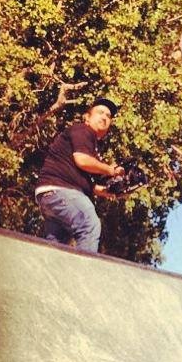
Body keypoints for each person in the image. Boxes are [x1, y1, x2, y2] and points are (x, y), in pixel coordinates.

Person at [34, 98, 124, 253]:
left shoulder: (89, 144)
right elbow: (82, 160)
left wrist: (105, 191)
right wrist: (110, 170)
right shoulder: (83, 131)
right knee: (89, 224)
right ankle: (85, 275)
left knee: (56, 248)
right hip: (61, 191)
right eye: (100, 113)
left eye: (108, 116)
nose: (104, 117)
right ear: (87, 117)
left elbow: (84, 179)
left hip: (49, 196)